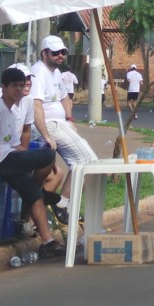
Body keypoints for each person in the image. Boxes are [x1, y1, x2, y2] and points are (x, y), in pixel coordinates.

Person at [0, 67, 64, 258]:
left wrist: (32, 160)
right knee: (48, 154)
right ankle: (43, 192)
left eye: (22, 86)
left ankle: (47, 242)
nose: (19, 90)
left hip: (8, 158)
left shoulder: (12, 112)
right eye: (14, 85)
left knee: (32, 192)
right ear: (3, 87)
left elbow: (15, 145)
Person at [30, 35, 98, 218]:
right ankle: (63, 205)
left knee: (87, 162)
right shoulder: (38, 72)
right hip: (49, 125)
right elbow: (36, 106)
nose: (60, 55)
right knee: (87, 162)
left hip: (61, 123)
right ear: (44, 54)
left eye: (63, 52)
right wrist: (45, 135)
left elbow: (64, 97)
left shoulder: (57, 73)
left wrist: (69, 118)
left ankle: (64, 204)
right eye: (55, 53)